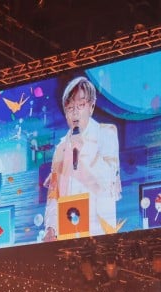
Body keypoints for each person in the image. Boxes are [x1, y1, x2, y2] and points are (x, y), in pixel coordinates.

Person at [44, 75, 122, 238]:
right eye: (70, 108)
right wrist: (50, 228)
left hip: (99, 231)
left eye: (80, 105)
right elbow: (53, 195)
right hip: (69, 232)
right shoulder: (61, 148)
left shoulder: (106, 133)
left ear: (91, 107)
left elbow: (108, 183)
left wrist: (83, 148)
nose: (75, 113)